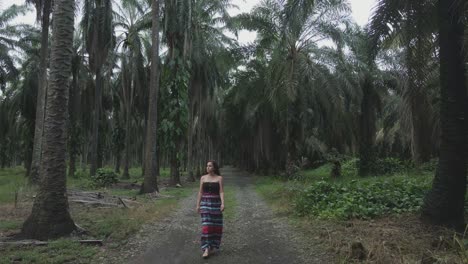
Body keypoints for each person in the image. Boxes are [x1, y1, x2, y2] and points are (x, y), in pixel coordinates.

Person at [196, 160, 224, 258]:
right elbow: (200, 192)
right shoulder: (203, 178)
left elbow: (221, 192)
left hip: (216, 204)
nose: (208, 167)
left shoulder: (219, 178)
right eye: (207, 166)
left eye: (210, 166)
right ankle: (206, 248)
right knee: (206, 226)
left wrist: (223, 204)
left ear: (214, 168)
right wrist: (198, 205)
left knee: (215, 226)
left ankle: (212, 245)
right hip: (205, 204)